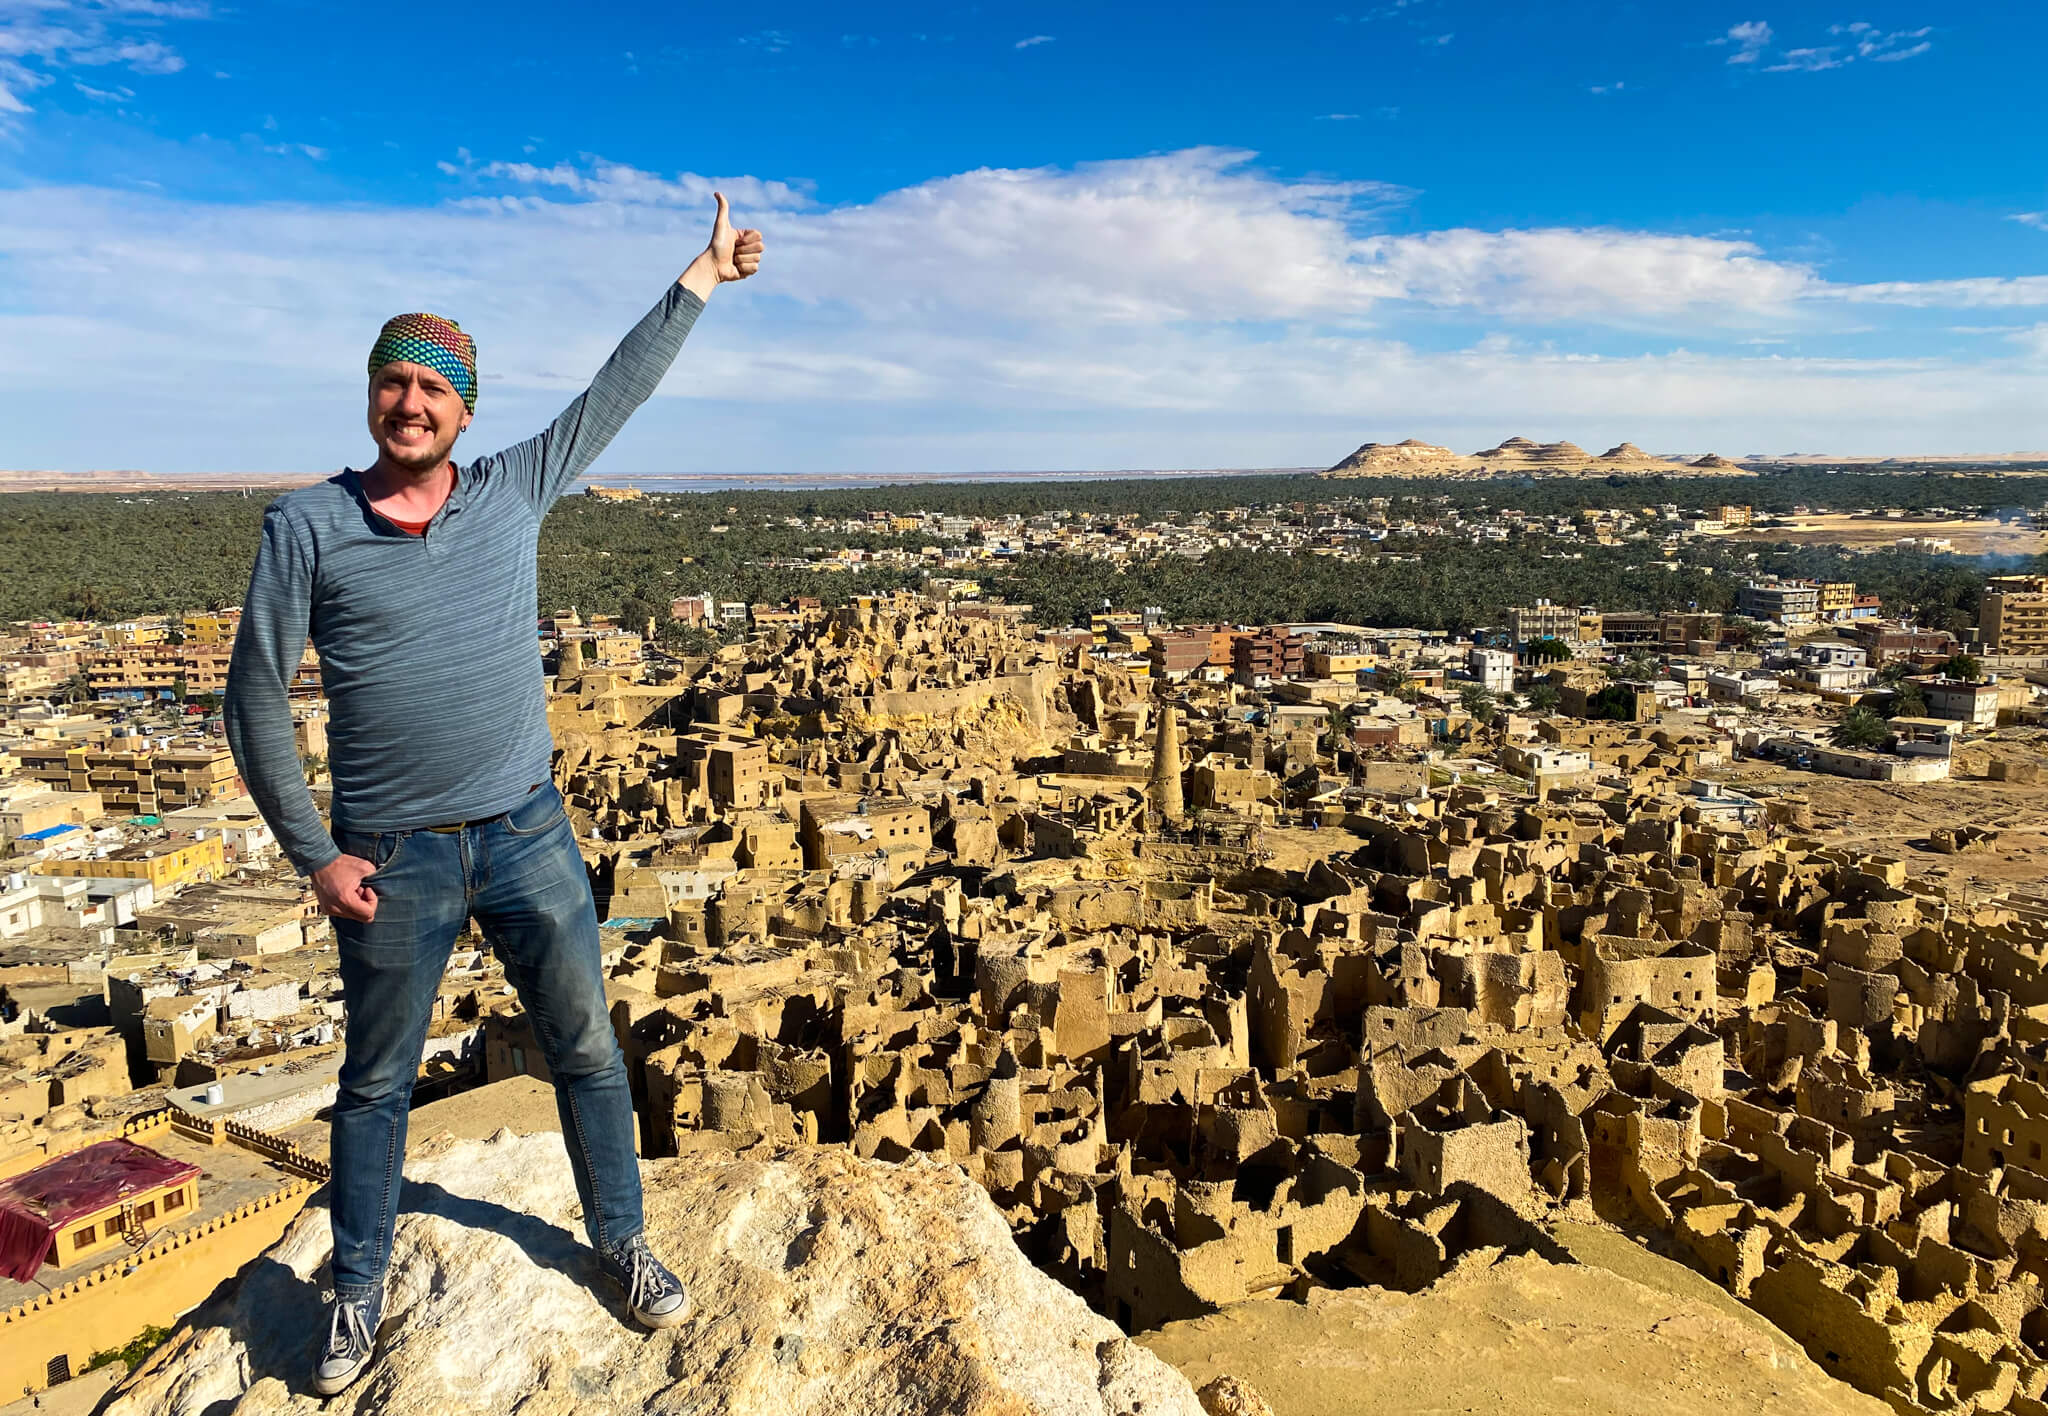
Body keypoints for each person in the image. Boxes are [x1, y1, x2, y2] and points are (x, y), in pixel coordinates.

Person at [224, 195, 763, 1398]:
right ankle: (357, 1291)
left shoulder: (513, 489)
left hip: (527, 832)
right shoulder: (306, 525)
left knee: (584, 1048)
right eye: (392, 385)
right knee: (375, 1083)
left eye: (434, 389)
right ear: (371, 397)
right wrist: (314, 854)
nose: (410, 405)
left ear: (466, 411)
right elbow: (254, 700)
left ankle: (620, 1244)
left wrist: (702, 277)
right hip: (392, 854)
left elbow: (611, 395)